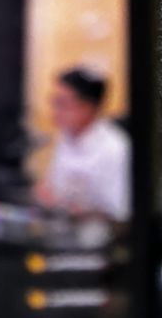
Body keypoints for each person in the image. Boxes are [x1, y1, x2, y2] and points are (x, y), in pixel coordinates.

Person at [35, 68, 130, 223]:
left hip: (99, 234)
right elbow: (53, 187)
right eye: (53, 101)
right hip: (64, 228)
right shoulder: (65, 137)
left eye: (61, 103)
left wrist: (74, 209)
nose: (54, 111)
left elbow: (120, 214)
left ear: (87, 107)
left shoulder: (116, 148)